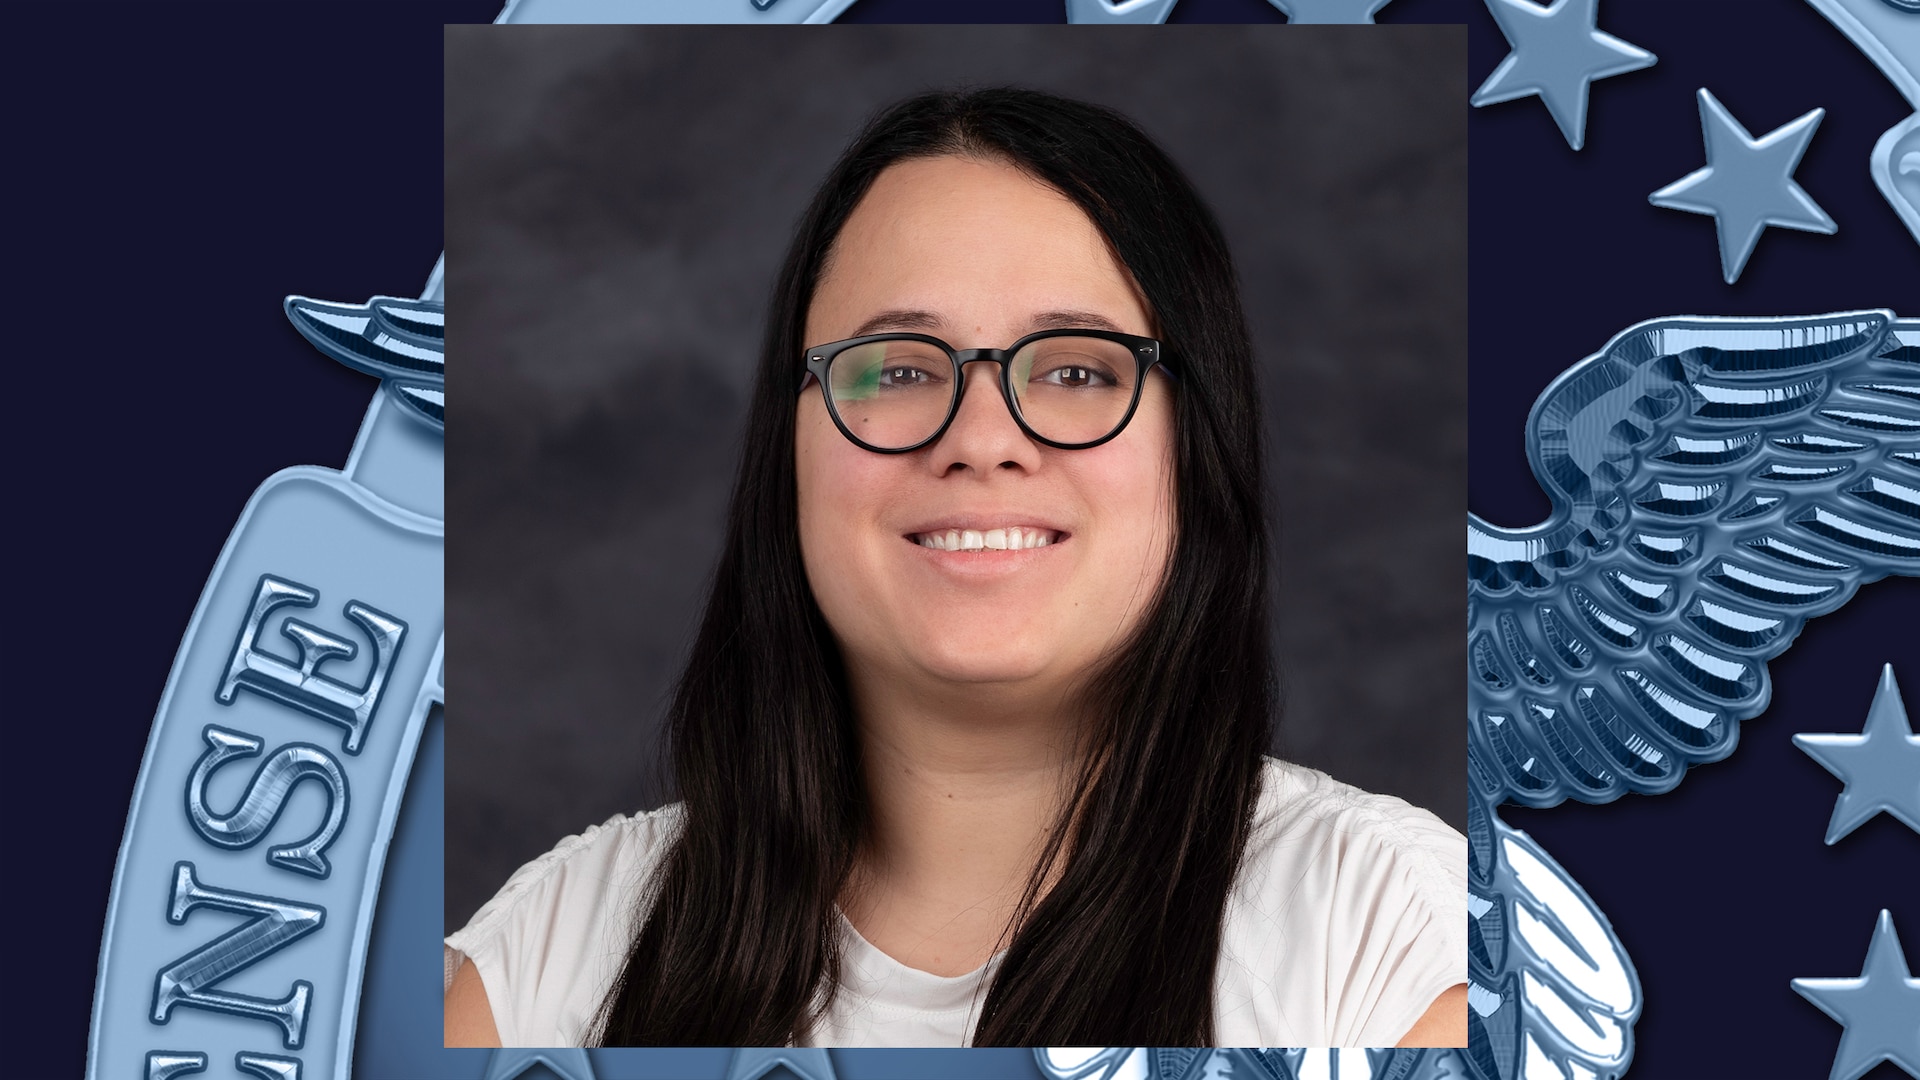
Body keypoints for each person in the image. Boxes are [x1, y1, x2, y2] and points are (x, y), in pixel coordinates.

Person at [443, 87, 1466, 1048]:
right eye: (895, 369)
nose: (982, 438)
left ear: (1196, 446)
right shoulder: (548, 960)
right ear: (786, 449)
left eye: (1075, 369)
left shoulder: (1396, 941)